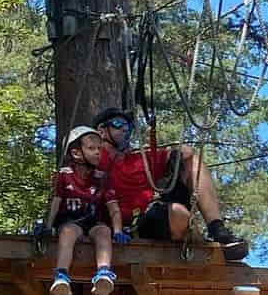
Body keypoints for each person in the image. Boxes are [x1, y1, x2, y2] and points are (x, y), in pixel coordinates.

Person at [92, 107, 248, 260]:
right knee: (178, 213)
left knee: (191, 161)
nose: (126, 130)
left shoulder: (139, 160)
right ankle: (203, 245)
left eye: (129, 126)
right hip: (118, 229)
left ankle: (217, 230)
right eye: (119, 124)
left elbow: (187, 153)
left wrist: (175, 156)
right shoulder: (91, 159)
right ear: (101, 130)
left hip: (147, 220)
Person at [36, 125, 121, 295]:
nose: (98, 152)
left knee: (104, 231)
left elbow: (113, 207)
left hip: (91, 221)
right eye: (91, 148)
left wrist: (118, 230)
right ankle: (62, 275)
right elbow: (56, 201)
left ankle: (103, 273)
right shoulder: (64, 176)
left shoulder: (102, 178)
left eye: (99, 148)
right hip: (69, 221)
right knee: (68, 232)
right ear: (76, 153)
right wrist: (47, 225)